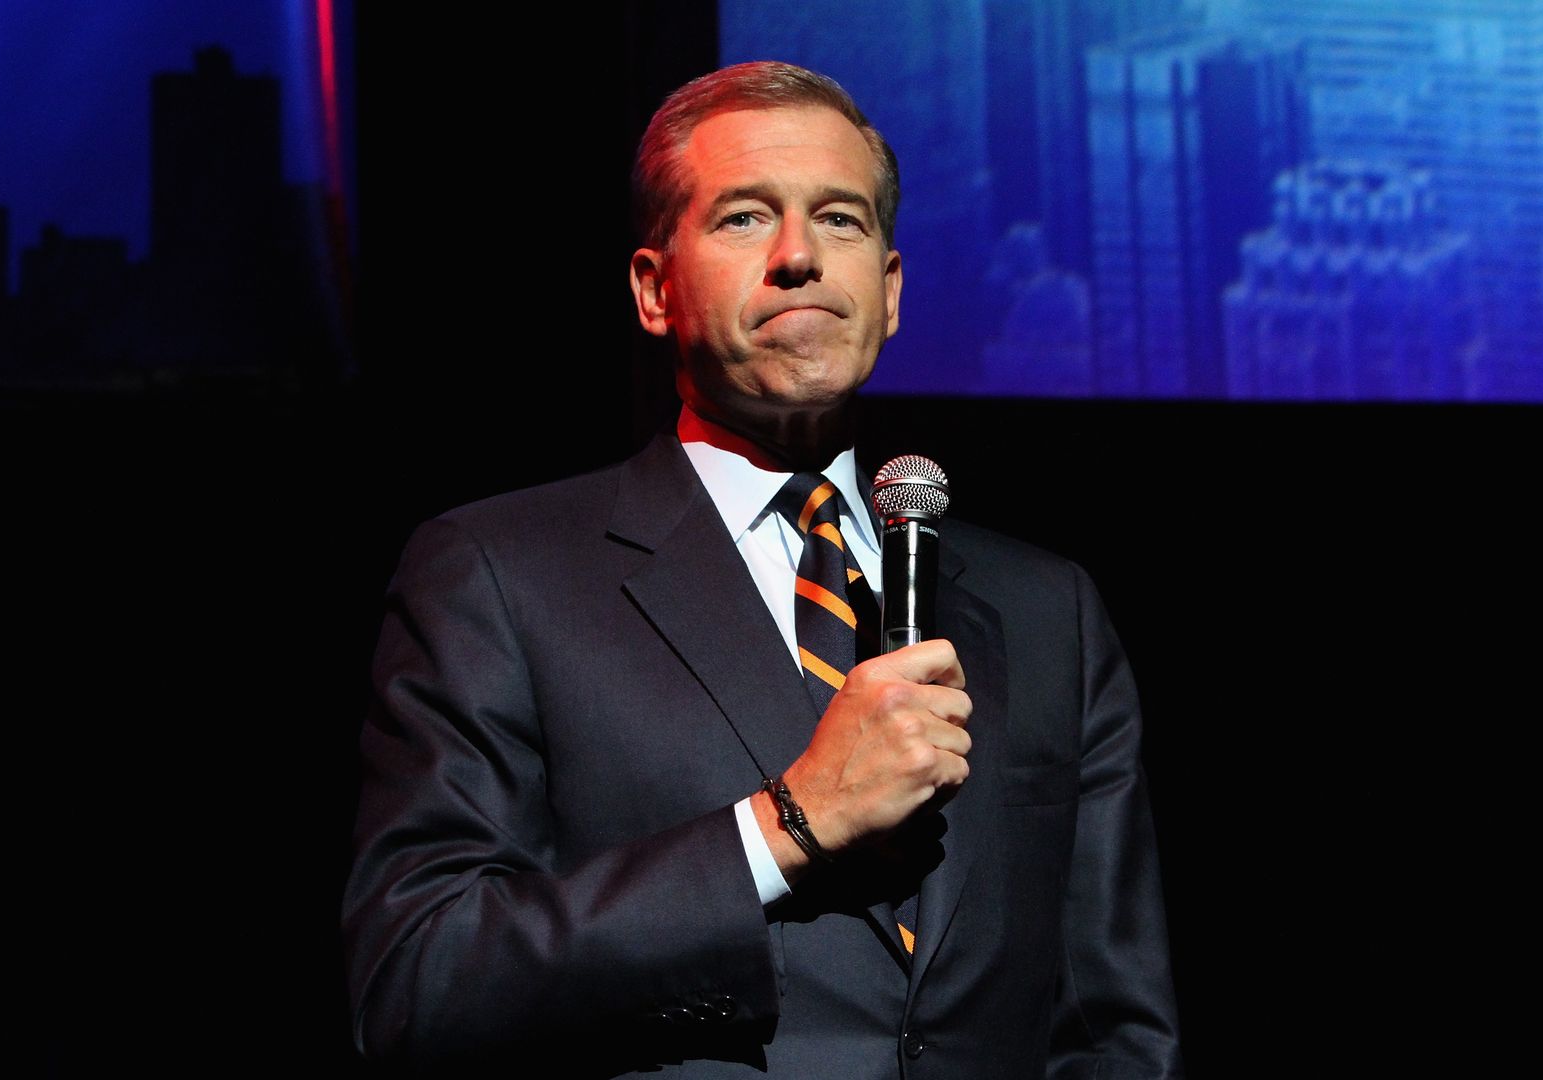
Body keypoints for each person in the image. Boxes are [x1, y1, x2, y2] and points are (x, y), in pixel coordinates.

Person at [342, 61, 1182, 1077]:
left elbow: (1114, 1029)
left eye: (840, 219)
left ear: (890, 290)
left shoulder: (1048, 609)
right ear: (654, 289)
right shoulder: (498, 578)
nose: (799, 257)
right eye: (745, 217)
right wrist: (787, 826)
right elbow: (420, 982)